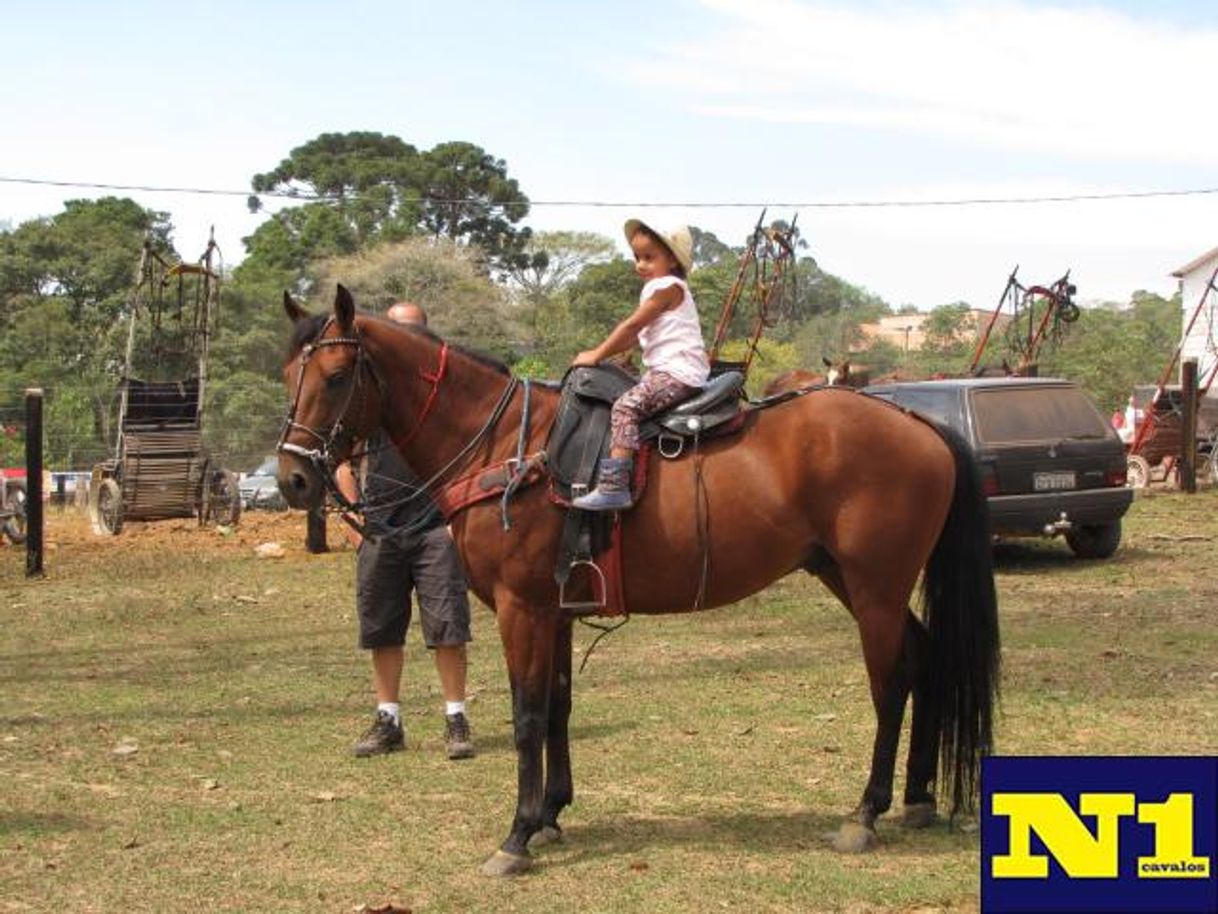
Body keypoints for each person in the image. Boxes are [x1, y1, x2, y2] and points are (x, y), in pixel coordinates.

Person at [335, 301, 475, 760]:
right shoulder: (371, 395)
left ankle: (456, 719)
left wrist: (458, 522)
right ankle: (388, 720)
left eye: (415, 329)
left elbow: (469, 457)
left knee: (448, 626)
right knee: (382, 630)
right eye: (399, 329)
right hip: (380, 530)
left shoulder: (443, 394)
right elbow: (342, 460)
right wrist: (354, 521)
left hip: (437, 529)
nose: (407, 336)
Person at [570, 219, 710, 511]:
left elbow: (632, 326)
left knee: (625, 406)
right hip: (673, 371)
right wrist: (611, 355)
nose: (641, 265)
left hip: (677, 373)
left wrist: (596, 355)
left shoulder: (666, 286)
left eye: (649, 257)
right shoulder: (666, 287)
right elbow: (634, 336)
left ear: (672, 259)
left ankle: (614, 486)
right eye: (637, 257)